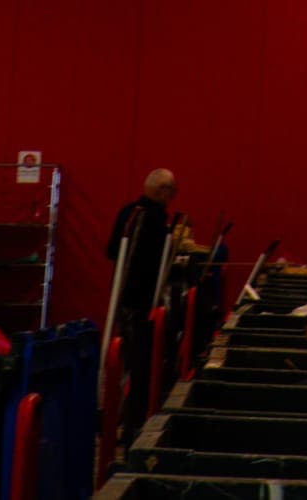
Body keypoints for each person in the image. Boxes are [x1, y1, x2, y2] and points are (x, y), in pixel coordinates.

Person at [105, 169, 178, 436]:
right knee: (140, 362)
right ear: (162, 191)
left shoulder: (129, 211)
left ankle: (126, 416)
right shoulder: (154, 218)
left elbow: (112, 250)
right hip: (141, 300)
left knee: (131, 361)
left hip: (126, 297)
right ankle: (133, 421)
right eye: (172, 192)